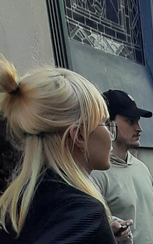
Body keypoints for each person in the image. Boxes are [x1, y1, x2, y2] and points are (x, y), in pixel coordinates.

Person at [0, 55, 130, 243]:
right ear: (78, 136)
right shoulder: (85, 215)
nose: (110, 136)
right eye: (104, 123)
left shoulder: (12, 207)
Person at [91, 89, 153, 244]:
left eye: (138, 121)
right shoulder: (96, 174)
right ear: (108, 124)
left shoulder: (142, 169)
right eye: (130, 121)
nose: (139, 128)